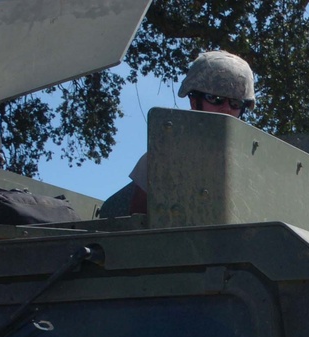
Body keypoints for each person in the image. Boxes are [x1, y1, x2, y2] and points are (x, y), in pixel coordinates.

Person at [101, 50, 256, 217]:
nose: (226, 108)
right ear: (194, 100)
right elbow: (138, 222)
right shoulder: (163, 156)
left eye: (235, 103)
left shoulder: (254, 160)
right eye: (215, 98)